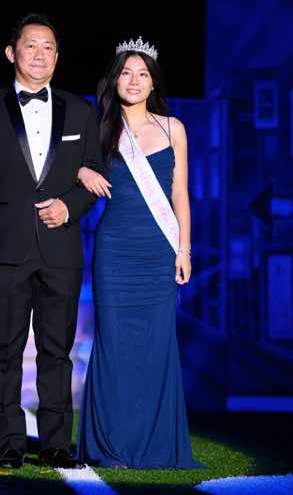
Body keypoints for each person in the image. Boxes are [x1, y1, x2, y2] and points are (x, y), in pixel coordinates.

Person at [0, 13, 105, 470]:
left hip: (61, 249)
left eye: (49, 47)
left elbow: (96, 177)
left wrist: (70, 207)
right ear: (11, 52)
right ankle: (9, 442)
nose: (41, 55)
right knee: (6, 345)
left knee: (58, 350)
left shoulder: (81, 111)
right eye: (31, 46)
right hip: (5, 248)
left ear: (58, 57)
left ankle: (56, 443)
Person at [76, 37, 205, 469]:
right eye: (126, 73)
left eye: (143, 74)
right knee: (113, 344)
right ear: (115, 80)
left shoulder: (173, 128)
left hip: (158, 250)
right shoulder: (99, 127)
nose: (134, 81)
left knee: (155, 345)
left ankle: (154, 445)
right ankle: (109, 445)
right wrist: (81, 169)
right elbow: (68, 167)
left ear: (153, 83)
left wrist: (184, 249)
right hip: (115, 251)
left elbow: (180, 193)